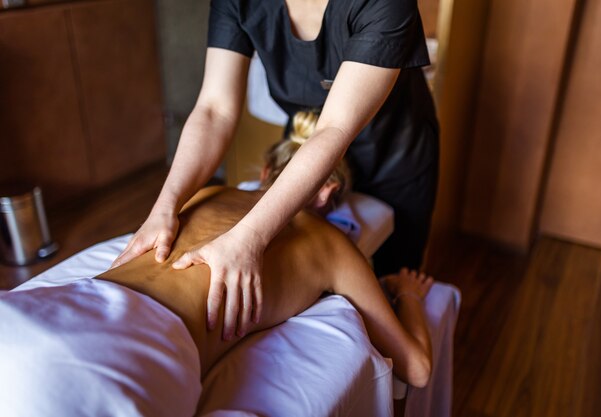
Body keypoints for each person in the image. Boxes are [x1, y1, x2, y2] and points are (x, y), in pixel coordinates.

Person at [0, 152, 433, 416]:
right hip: (129, 353)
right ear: (328, 194)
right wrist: (409, 293)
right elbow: (416, 367)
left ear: (264, 170)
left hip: (48, 307)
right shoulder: (331, 244)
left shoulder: (208, 193)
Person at [113, 0, 438, 341]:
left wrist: (249, 237)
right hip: (307, 138)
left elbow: (335, 128)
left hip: (394, 152)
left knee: (395, 283)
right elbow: (214, 110)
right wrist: (165, 207)